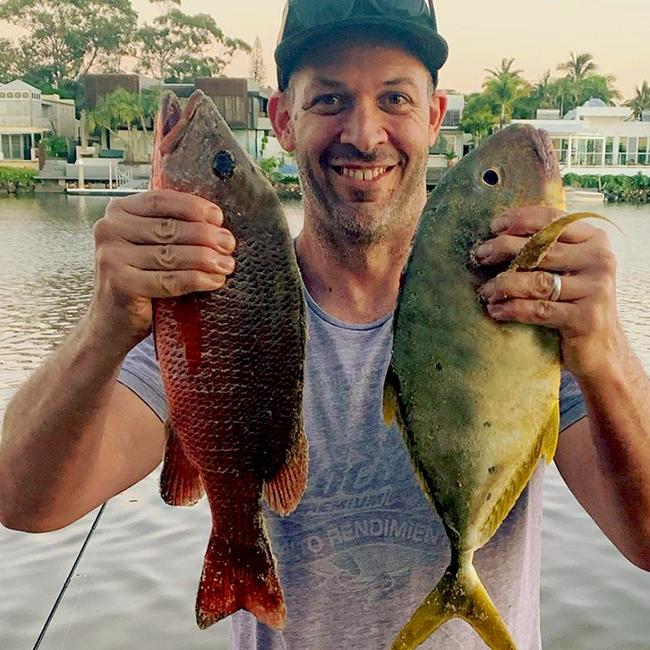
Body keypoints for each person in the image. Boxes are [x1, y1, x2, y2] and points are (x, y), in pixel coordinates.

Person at [1, 0, 649, 648]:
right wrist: (105, 325)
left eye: (394, 98)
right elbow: (24, 500)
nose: (364, 133)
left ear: (433, 115)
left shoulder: (514, 302)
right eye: (330, 100)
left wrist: (605, 350)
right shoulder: (222, 296)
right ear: (284, 119)